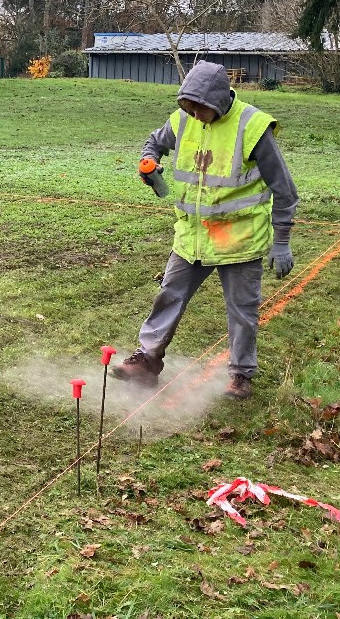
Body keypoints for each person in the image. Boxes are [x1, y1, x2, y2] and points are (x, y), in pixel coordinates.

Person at [110, 61, 298, 400]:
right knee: (169, 295)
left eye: (200, 107)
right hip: (192, 235)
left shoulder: (252, 127)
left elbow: (285, 189)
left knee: (242, 309)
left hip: (237, 239)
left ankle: (241, 375)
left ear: (219, 101)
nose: (194, 114)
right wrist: (149, 160)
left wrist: (281, 240)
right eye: (188, 106)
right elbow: (154, 141)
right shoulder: (183, 119)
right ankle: (146, 362)